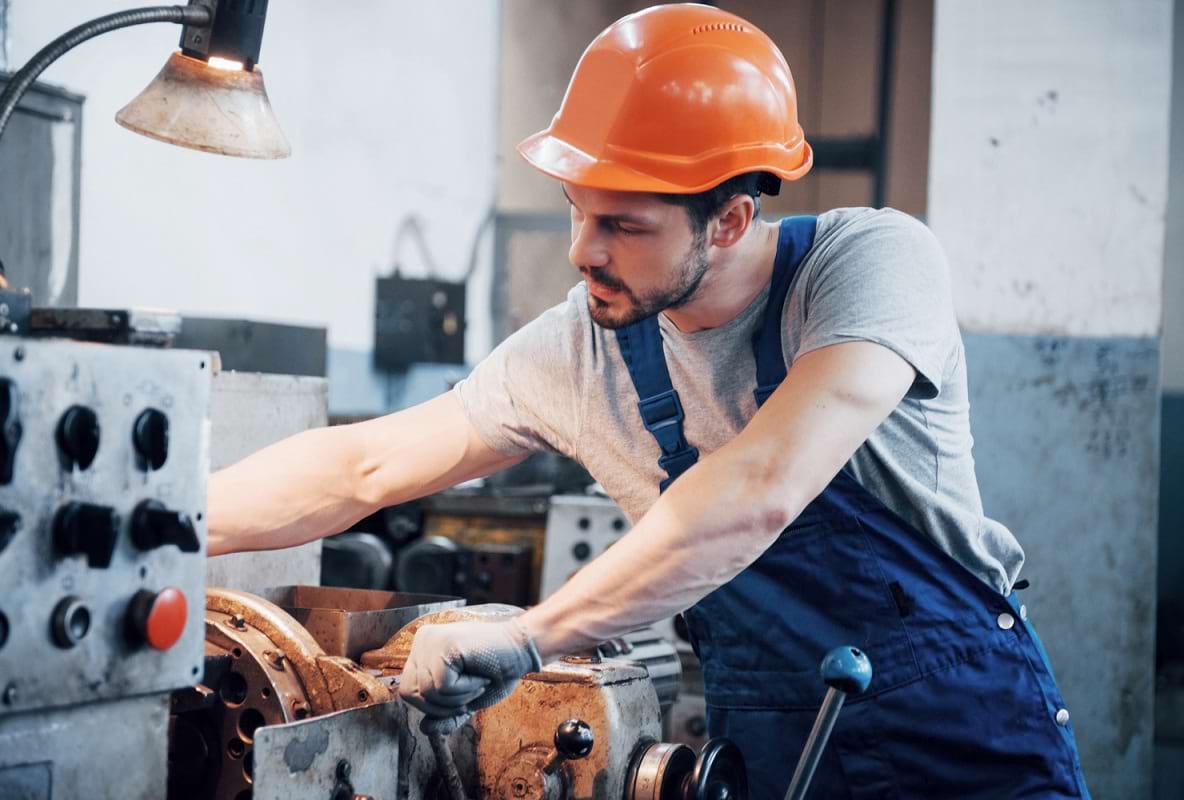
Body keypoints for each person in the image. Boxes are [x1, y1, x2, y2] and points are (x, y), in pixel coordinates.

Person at [207, 5, 1090, 796]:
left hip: (964, 750)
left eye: (623, 224)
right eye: (575, 210)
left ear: (732, 219)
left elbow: (762, 487)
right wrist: (173, 520)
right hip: (780, 762)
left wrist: (532, 636)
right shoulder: (585, 346)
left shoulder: (867, 268)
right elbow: (367, 464)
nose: (581, 251)